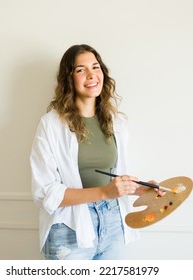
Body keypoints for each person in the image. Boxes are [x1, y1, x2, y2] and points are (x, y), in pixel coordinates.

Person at [30, 44, 156, 260]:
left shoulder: (117, 122)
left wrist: (139, 189)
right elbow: (45, 192)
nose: (91, 75)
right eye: (80, 70)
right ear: (68, 78)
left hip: (114, 222)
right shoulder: (51, 124)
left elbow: (112, 178)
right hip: (70, 228)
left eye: (95, 67)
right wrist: (105, 192)